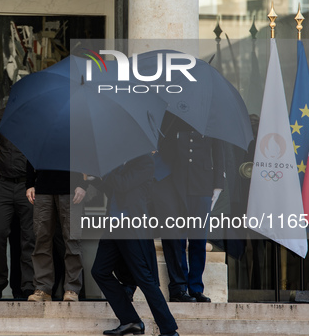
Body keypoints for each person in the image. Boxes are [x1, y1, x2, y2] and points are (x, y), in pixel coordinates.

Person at [92, 154, 179, 336]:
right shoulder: (117, 162)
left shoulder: (145, 161)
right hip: (114, 225)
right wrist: (95, 179)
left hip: (132, 226)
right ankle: (130, 320)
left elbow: (123, 184)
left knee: (144, 278)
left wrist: (103, 173)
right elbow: (112, 191)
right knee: (99, 271)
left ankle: (169, 329)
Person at [153, 113, 225, 303]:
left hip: (202, 184)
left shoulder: (211, 117)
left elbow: (219, 152)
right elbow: (165, 149)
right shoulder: (171, 116)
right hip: (175, 182)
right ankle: (178, 288)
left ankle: (195, 287)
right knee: (174, 237)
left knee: (198, 239)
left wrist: (218, 184)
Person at [0, 107, 35, 300]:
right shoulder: (0, 115)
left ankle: (28, 285)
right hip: (3, 185)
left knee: (29, 237)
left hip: (27, 185)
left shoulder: (35, 118)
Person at [26, 163, 87, 302]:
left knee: (72, 241)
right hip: (42, 189)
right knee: (41, 240)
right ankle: (42, 289)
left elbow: (88, 157)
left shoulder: (79, 139)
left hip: (72, 189)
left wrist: (83, 184)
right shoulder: (40, 139)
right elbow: (32, 156)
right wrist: (29, 183)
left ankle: (72, 289)